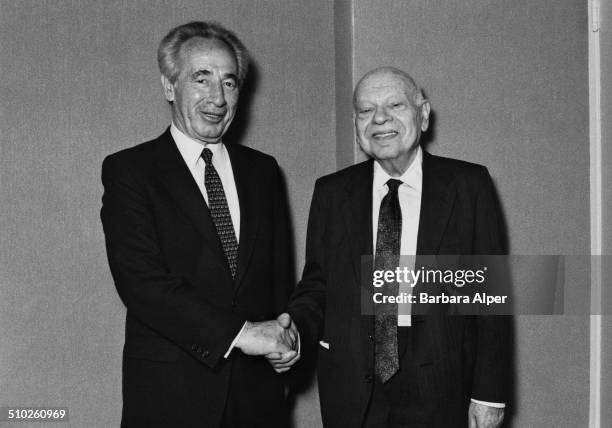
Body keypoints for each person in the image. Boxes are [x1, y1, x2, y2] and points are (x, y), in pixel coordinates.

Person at [274, 67, 510, 427]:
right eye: (366, 110)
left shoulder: (469, 185)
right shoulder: (332, 192)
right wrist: (296, 332)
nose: (380, 118)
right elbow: (318, 285)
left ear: (424, 114)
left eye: (395, 105)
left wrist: (489, 394)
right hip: (351, 385)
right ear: (356, 124)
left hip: (440, 384)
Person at [100, 21, 298, 428]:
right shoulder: (130, 171)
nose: (217, 98)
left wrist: (287, 339)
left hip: (258, 400)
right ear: (169, 86)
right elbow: (141, 283)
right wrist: (242, 334)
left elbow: (278, 280)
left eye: (229, 82)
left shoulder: (263, 171)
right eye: (201, 79)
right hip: (170, 397)